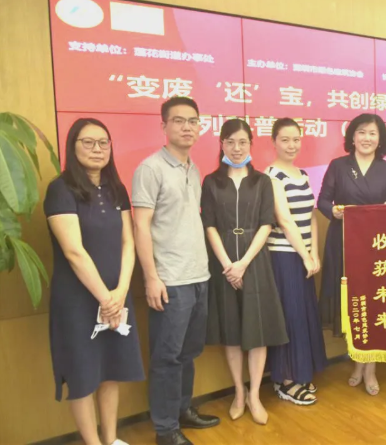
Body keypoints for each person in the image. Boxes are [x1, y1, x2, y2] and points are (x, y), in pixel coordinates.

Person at [44, 118, 144, 445]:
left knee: (110, 369)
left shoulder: (116, 188)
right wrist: (106, 298)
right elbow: (74, 252)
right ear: (72, 146)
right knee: (83, 375)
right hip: (78, 299)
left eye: (103, 142)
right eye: (88, 142)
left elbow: (129, 242)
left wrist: (121, 291)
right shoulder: (61, 189)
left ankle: (111, 439)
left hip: (116, 294)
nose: (97, 149)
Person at [132, 97, 219, 445]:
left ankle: (183, 410)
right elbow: (140, 226)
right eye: (179, 120)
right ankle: (165, 429)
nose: (187, 127)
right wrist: (151, 278)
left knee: (188, 353)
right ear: (164, 126)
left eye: (193, 121)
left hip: (199, 276)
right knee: (167, 357)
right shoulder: (150, 168)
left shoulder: (193, 168)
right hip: (170, 280)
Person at [201, 118, 288, 425]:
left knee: (257, 330)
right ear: (222, 144)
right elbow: (209, 225)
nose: (236, 148)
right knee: (232, 331)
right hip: (223, 262)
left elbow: (267, 223)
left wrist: (243, 263)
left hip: (255, 261)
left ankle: (255, 395)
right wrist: (228, 265)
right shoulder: (211, 182)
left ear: (251, 144)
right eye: (230, 142)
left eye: (242, 142)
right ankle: (239, 392)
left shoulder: (262, 182)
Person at [318, 113, 386, 396]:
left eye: (373, 133)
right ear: (352, 137)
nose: (367, 138)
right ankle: (358, 361)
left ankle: (370, 367)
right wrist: (333, 211)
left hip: (377, 246)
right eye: (362, 132)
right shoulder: (339, 166)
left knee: (376, 304)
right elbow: (323, 200)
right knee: (352, 304)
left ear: (381, 139)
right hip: (344, 241)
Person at [265, 118, 328, 405]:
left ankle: (299, 373)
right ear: (274, 142)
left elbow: (311, 217)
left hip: (304, 257)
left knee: (302, 315)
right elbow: (284, 220)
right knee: (289, 317)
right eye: (285, 140)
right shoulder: (271, 176)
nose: (291, 145)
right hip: (283, 256)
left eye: (296, 139)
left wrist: (314, 254)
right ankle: (285, 380)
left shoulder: (302, 174)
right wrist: (304, 255)